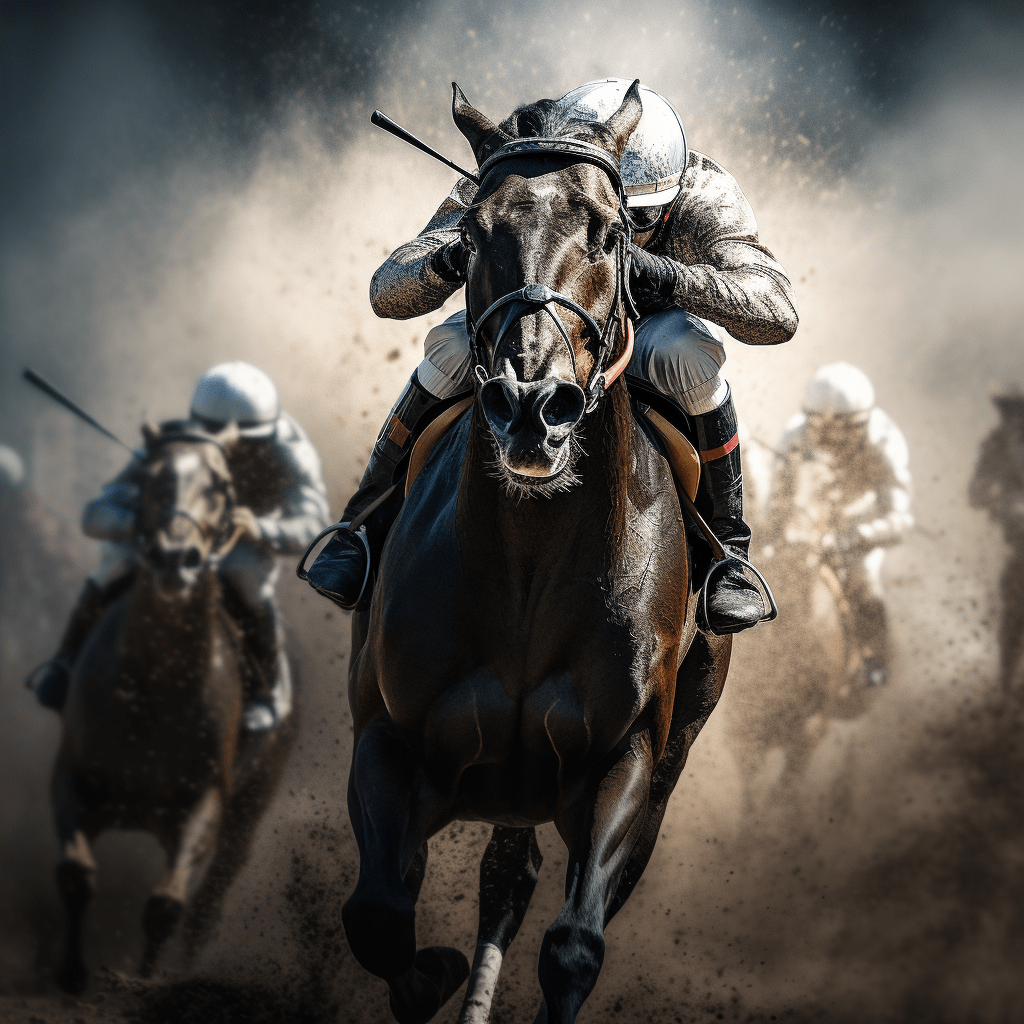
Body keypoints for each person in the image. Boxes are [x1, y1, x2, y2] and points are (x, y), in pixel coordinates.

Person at [308, 78, 798, 634]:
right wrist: (457, 252)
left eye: (639, 221)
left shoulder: (703, 191)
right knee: (448, 346)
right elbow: (386, 292)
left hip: (644, 335)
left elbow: (778, 312)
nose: (628, 232)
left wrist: (661, 273)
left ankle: (728, 554)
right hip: (537, 323)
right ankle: (361, 528)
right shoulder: (522, 167)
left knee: (686, 349)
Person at [28, 362, 330, 731]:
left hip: (239, 543)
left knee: (247, 578)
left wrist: (262, 528)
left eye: (241, 448)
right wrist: (135, 522)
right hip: (170, 537)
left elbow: (314, 523)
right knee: (115, 562)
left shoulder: (292, 454)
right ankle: (65, 660)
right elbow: (97, 514)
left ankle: (266, 691)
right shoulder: (170, 444)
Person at [764, 363, 913, 686]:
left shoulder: (885, 442)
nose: (829, 439)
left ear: (861, 423)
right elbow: (778, 501)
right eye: (820, 428)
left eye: (841, 430)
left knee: (865, 582)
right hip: (811, 521)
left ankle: (875, 662)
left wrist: (856, 536)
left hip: (861, 527)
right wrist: (771, 537)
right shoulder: (795, 435)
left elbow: (900, 518)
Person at [969, 385, 1024, 691]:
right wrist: (1000, 500)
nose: (1011, 419)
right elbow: (975, 493)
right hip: (1020, 546)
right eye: (1007, 413)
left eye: (1017, 412)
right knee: (1014, 609)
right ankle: (1006, 685)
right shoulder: (995, 446)